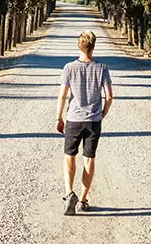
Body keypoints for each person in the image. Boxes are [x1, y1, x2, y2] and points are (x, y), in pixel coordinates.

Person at [56, 29, 113, 215]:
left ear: (78, 46)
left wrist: (59, 118)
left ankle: (68, 192)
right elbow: (109, 96)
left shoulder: (69, 68)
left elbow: (63, 96)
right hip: (93, 121)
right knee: (89, 159)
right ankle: (82, 200)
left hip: (73, 119)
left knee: (69, 156)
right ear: (93, 47)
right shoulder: (102, 68)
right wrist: (102, 114)